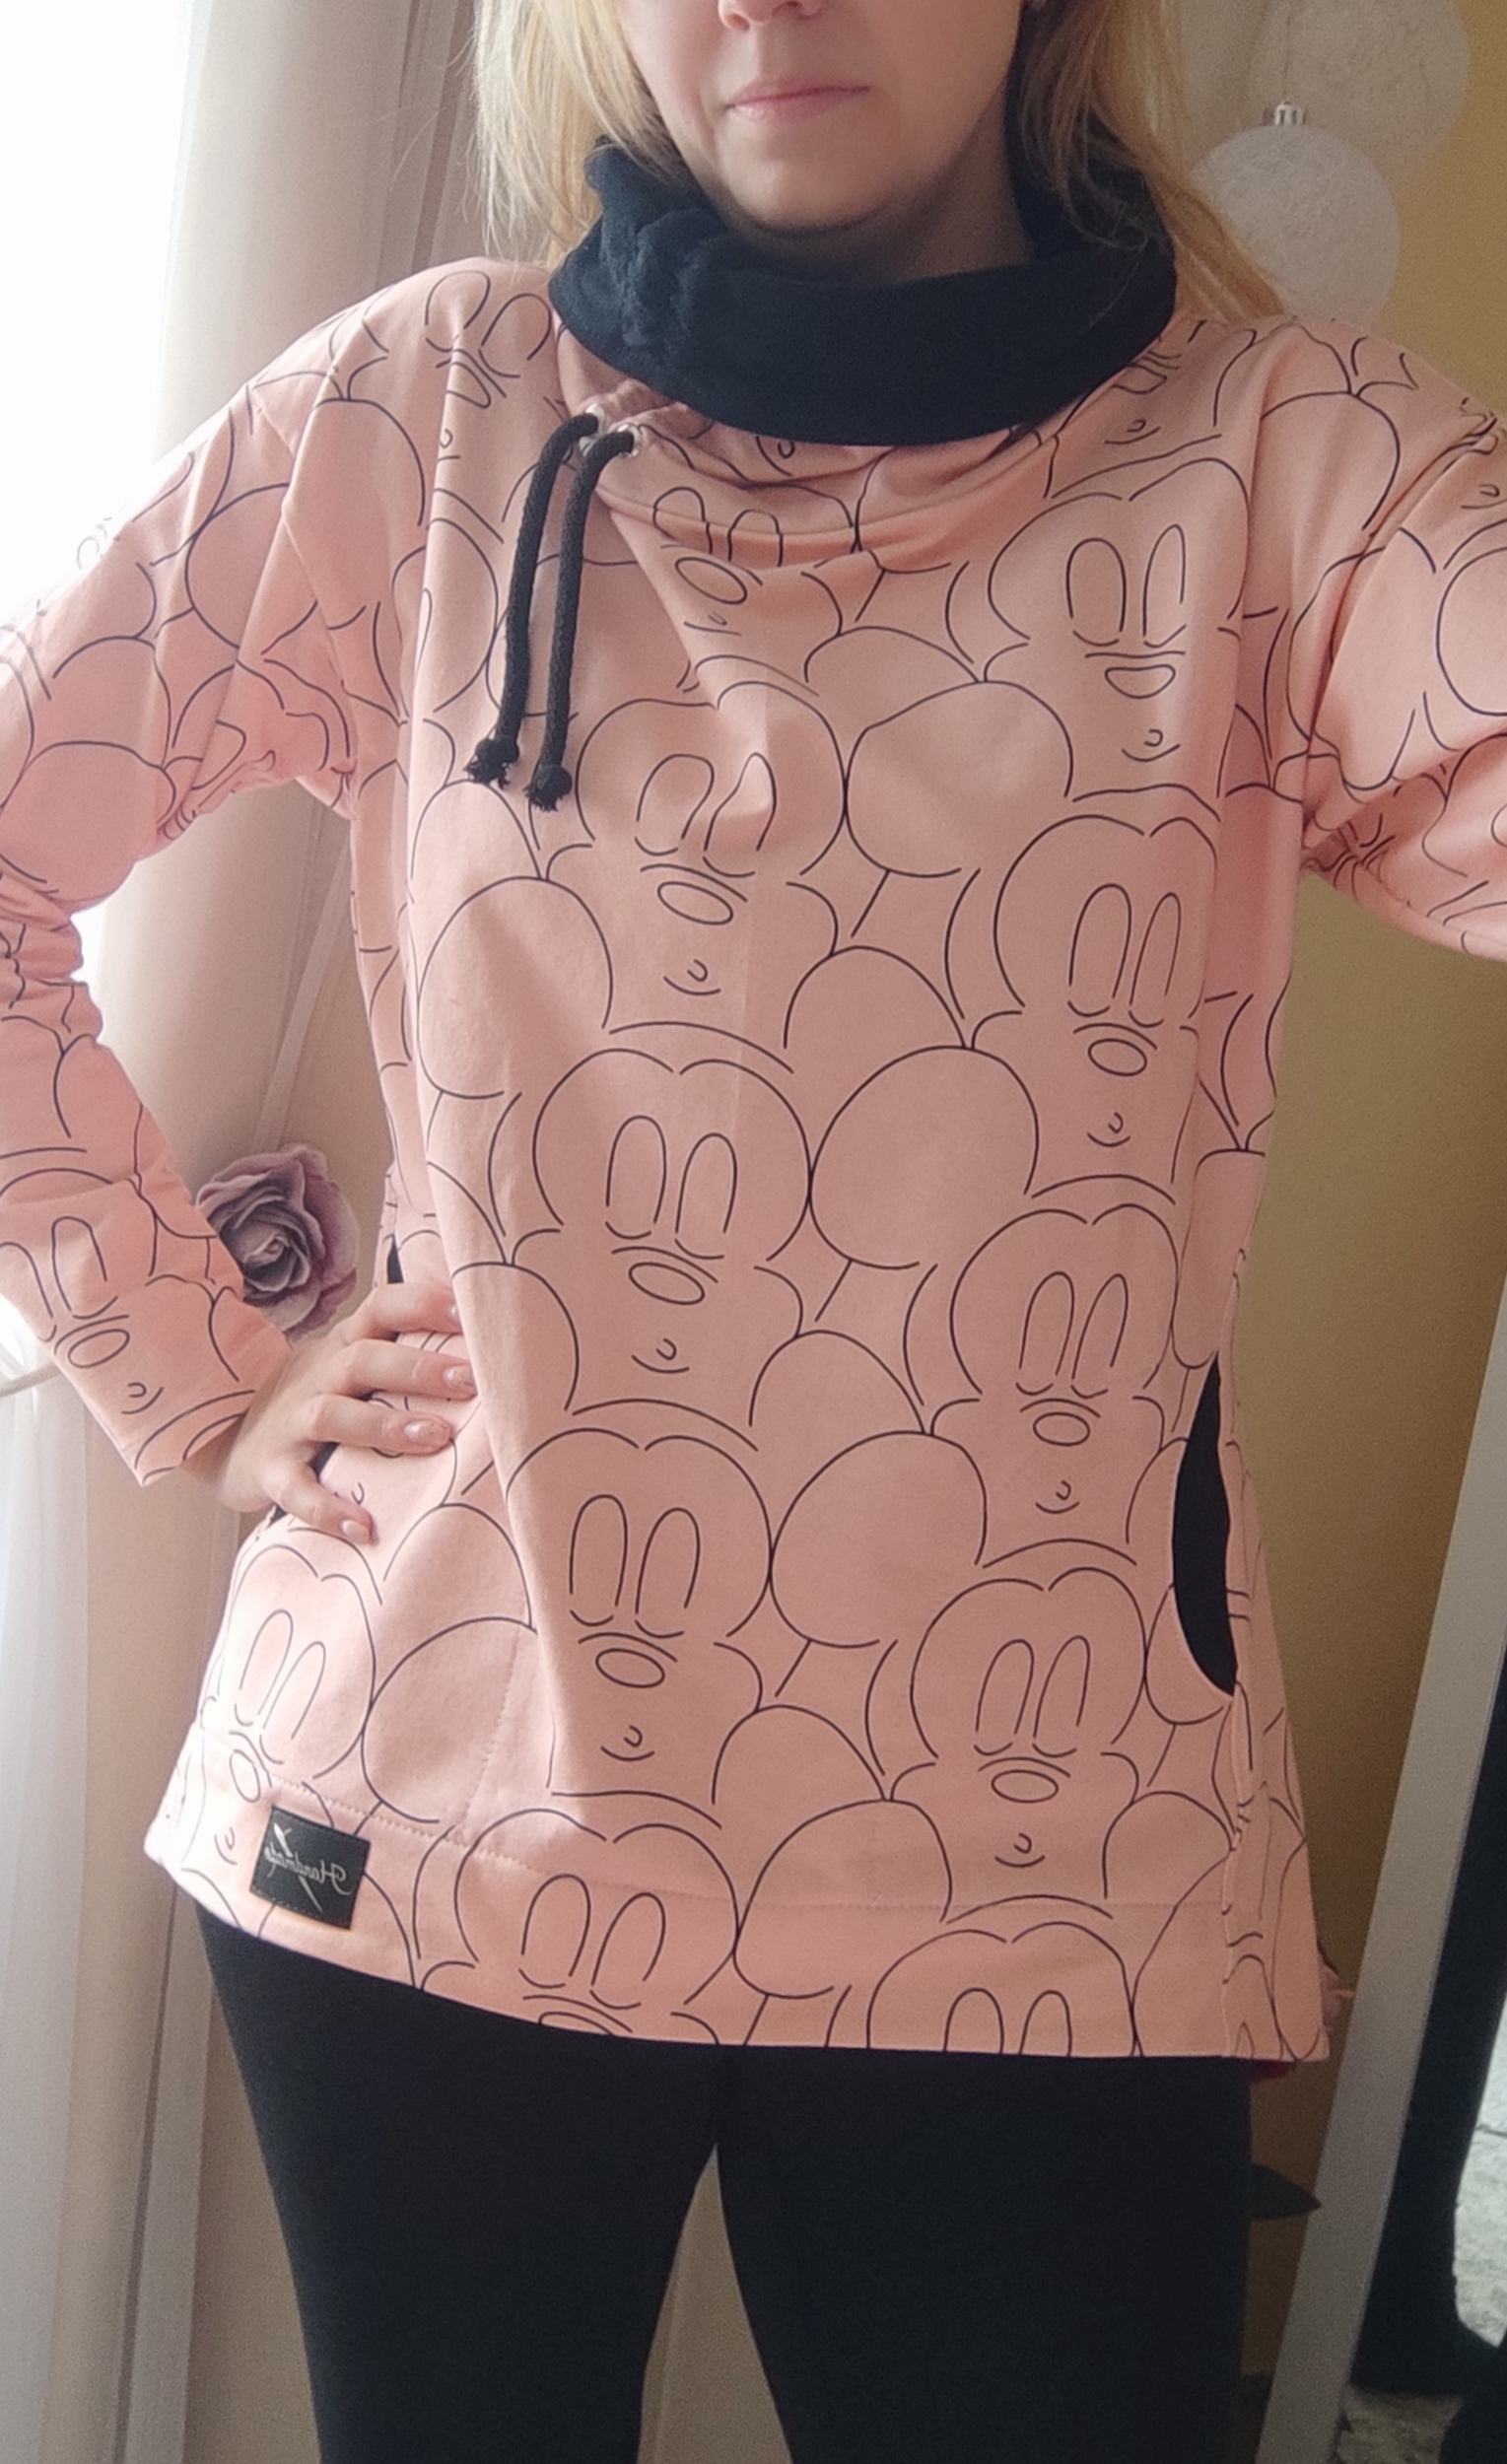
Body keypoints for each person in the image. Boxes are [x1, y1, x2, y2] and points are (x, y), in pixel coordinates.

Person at [4, 1, 1507, 2458]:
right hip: (439, 1812)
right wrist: (195, 1365)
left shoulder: (1286, 459)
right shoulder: (428, 409)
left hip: (1044, 1875)